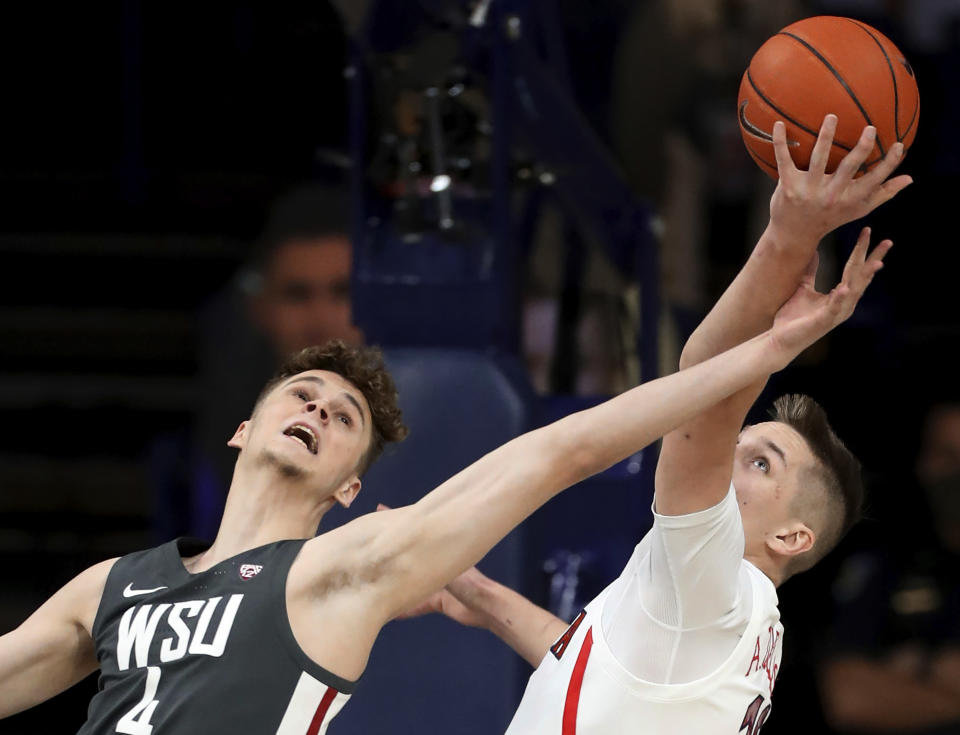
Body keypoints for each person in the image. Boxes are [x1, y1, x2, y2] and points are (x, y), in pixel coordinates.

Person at [0, 156, 888, 731]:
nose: (315, 407)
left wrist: (779, 306)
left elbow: (569, 449)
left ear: (352, 488)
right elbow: (602, 669)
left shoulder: (346, 568)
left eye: (344, 416)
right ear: (243, 425)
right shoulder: (113, 584)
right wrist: (484, 596)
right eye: (301, 392)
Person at [403, 116, 911, 732]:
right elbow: (602, 673)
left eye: (758, 463)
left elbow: (700, 394)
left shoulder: (718, 585)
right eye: (744, 445)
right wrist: (481, 598)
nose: (726, 456)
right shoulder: (729, 616)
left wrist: (789, 236)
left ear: (790, 537)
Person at [817, 398, 960, 733]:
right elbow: (849, 697)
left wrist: (913, 673)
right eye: (948, 457)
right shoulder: (885, 567)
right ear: (924, 462)